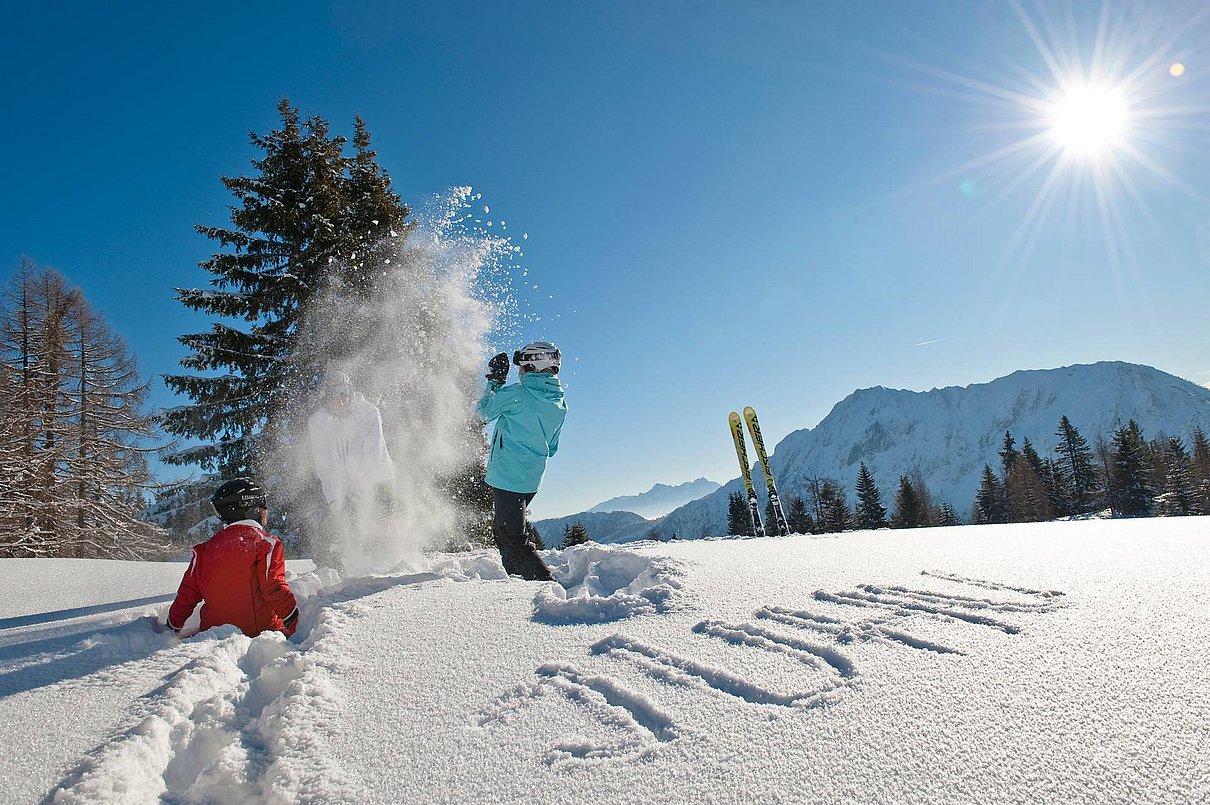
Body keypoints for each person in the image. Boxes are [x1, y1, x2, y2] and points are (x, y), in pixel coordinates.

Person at [477, 340, 568, 581]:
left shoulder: (518, 394)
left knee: (513, 541)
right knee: (505, 533)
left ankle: (541, 587)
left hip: (508, 476)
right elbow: (553, 447)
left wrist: (495, 380)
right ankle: (524, 581)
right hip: (532, 478)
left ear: (531, 365)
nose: (518, 371)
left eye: (521, 366)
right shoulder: (559, 403)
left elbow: (483, 412)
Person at [167, 478, 299, 637]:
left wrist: (171, 627)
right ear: (253, 509)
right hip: (259, 638)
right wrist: (296, 621)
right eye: (263, 506)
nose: (266, 511)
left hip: (210, 636)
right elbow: (273, 588)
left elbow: (187, 595)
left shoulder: (203, 550)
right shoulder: (266, 544)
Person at [307, 370, 397, 569]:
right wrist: (337, 505)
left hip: (378, 481)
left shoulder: (369, 413)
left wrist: (361, 500)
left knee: (377, 527)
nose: (341, 400)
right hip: (342, 487)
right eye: (335, 395)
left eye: (345, 393)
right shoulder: (317, 423)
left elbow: (372, 458)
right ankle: (334, 572)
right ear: (325, 397)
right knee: (336, 528)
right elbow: (326, 468)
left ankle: (387, 567)